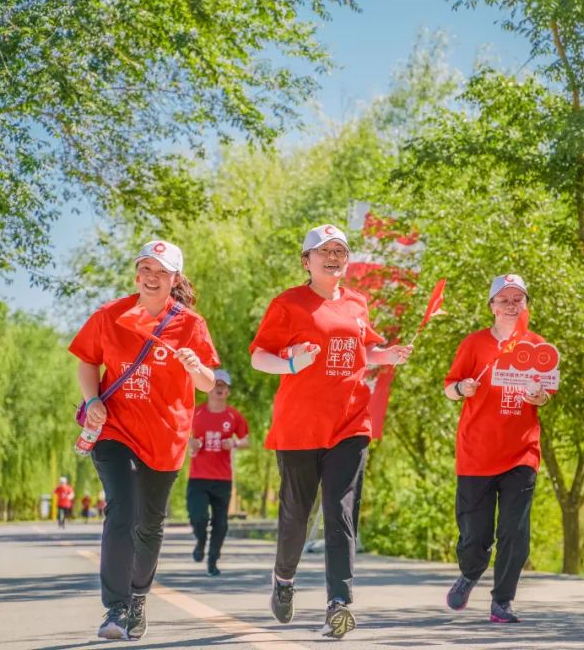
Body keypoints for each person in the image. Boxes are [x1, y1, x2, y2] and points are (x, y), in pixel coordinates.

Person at [250, 224, 412, 639]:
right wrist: (291, 364)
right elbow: (259, 357)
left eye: (340, 250)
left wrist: (385, 355)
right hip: (299, 428)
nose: (333, 257)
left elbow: (364, 350)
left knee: (340, 512)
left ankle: (338, 604)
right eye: (324, 251)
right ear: (306, 261)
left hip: (350, 423)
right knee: (296, 516)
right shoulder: (288, 304)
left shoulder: (357, 303)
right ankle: (283, 579)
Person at [69, 240, 218, 640]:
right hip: (115, 428)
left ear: (175, 279)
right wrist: (92, 399)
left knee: (149, 523)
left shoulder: (190, 324)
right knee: (122, 510)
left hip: (165, 437)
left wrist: (195, 366)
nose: (152, 278)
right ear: (137, 274)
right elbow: (87, 360)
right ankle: (116, 607)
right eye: (146, 269)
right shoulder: (110, 315)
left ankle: (138, 598)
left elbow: (208, 383)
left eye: (162, 271)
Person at [442, 274, 555, 624]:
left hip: (521, 452)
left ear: (526, 304)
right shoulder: (474, 344)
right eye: (503, 299)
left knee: (514, 532)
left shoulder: (538, 346)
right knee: (475, 535)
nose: (511, 305)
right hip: (476, 452)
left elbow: (547, 392)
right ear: (491, 306)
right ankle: (470, 572)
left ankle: (502, 601)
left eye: (517, 299)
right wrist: (462, 388)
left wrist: (540, 397)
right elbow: (449, 387)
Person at [186, 368, 249, 576]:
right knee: (198, 517)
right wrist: (191, 443)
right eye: (216, 384)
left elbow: (246, 440)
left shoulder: (234, 416)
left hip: (222, 479)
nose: (219, 388)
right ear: (208, 389)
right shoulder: (196, 413)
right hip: (198, 477)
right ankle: (200, 541)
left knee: (221, 524)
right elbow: (182, 434)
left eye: (223, 385)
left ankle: (213, 561)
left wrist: (234, 443)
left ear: (228, 391)